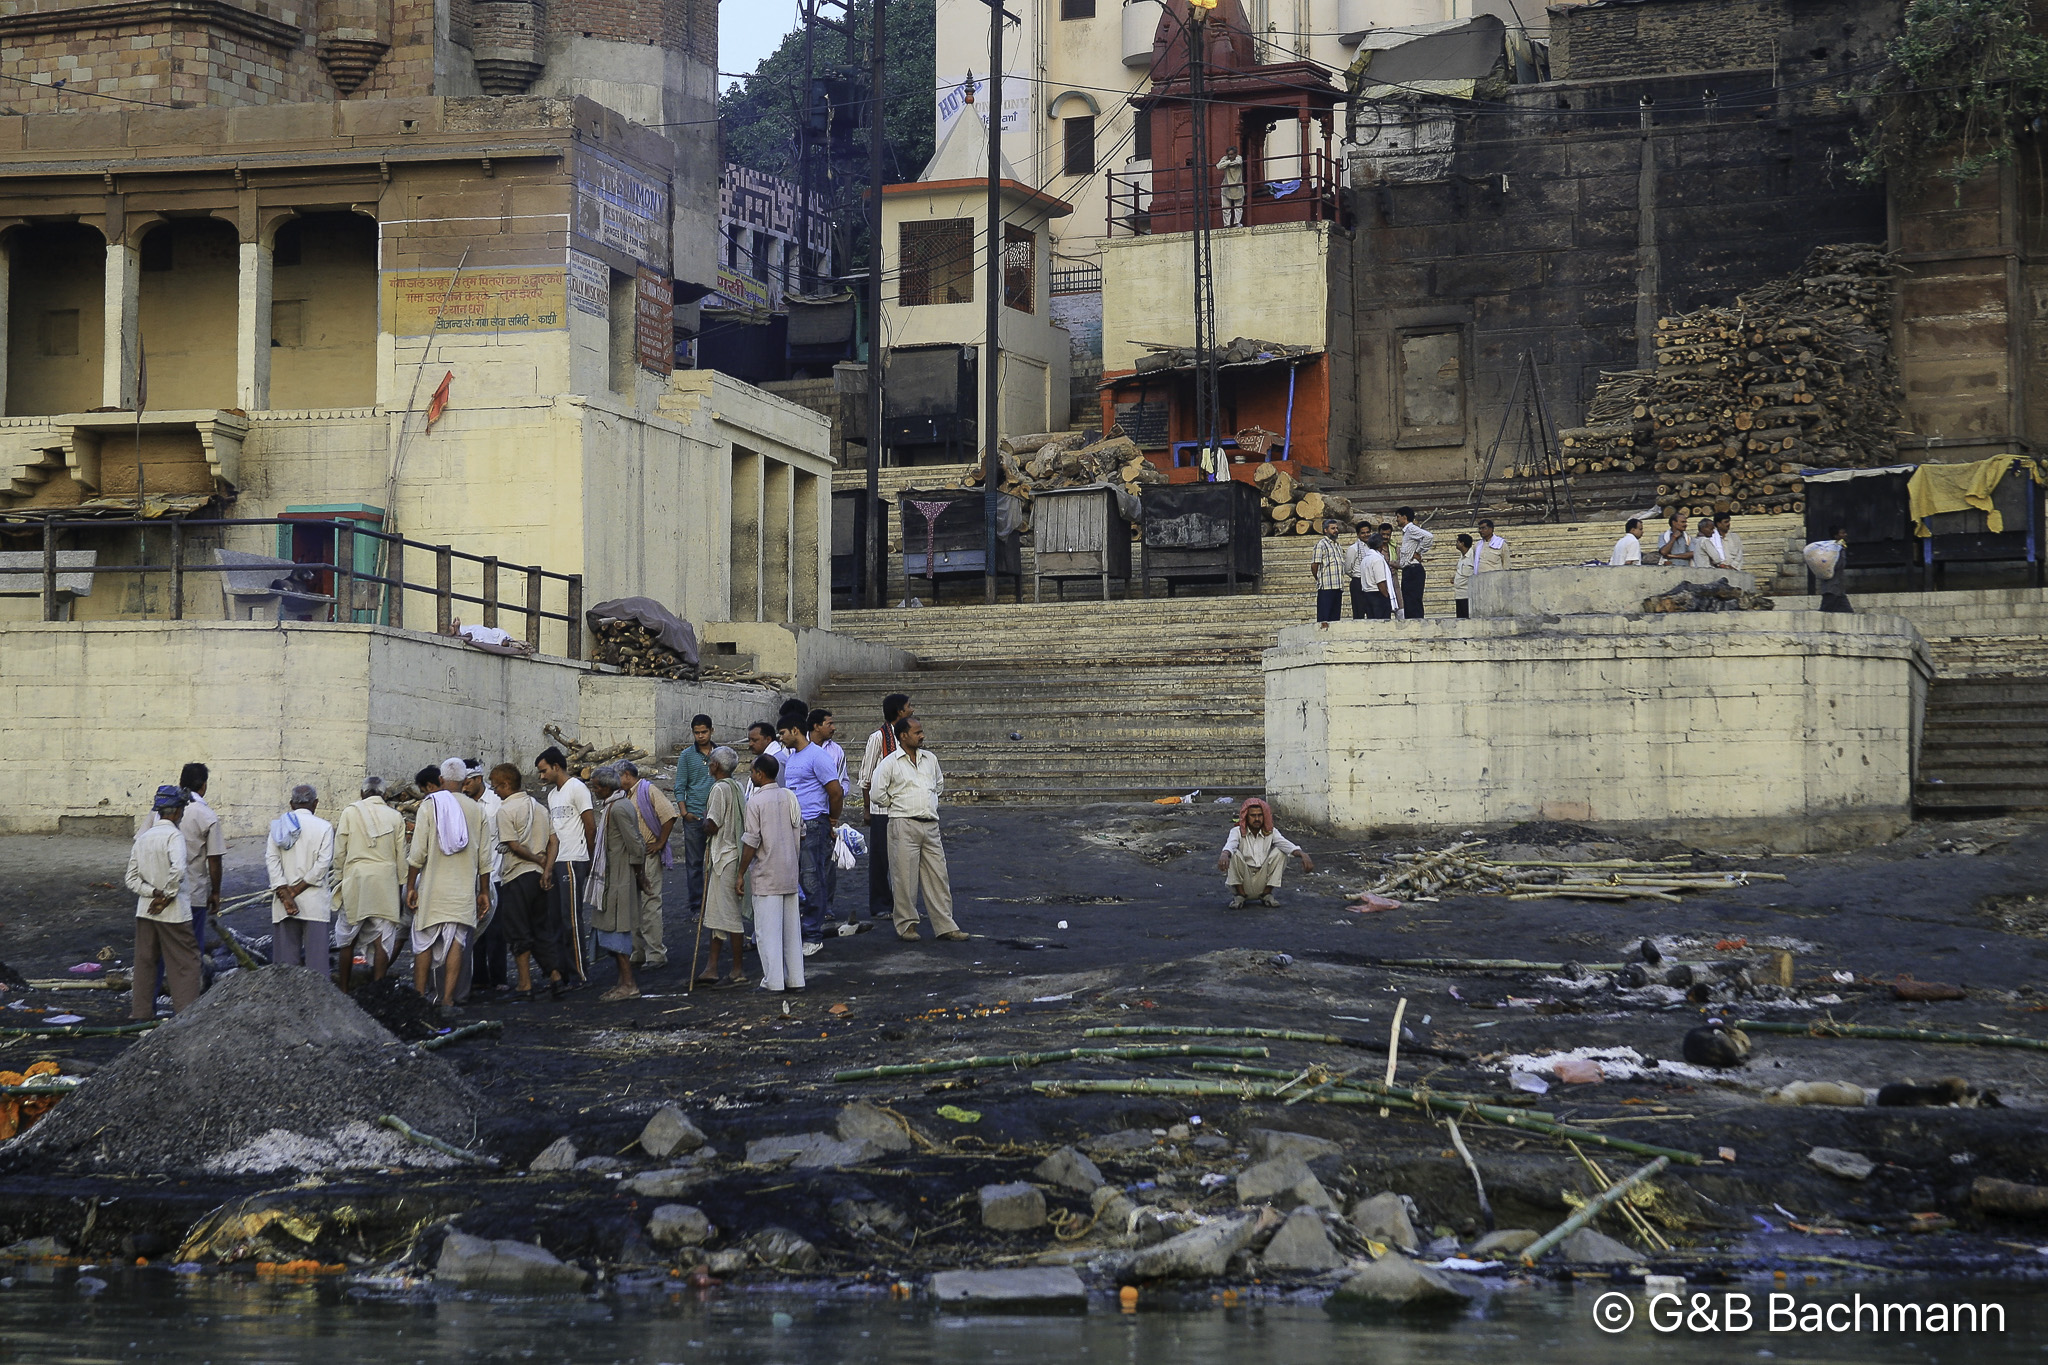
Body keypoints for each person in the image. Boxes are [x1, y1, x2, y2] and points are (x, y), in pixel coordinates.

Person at [871, 717, 966, 943]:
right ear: (903, 736)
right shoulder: (890, 763)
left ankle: (945, 926)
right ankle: (907, 926)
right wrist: (900, 804)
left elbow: (938, 786)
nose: (922, 736)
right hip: (903, 824)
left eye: (921, 732)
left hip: (930, 824)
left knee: (938, 877)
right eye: (917, 732)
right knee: (904, 878)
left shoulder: (930, 759)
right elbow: (877, 795)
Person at [407, 756, 488, 1016]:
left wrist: (411, 886)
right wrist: (484, 891)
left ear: (440, 780)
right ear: (465, 782)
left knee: (423, 943)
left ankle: (419, 999)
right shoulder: (477, 810)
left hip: (432, 889)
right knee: (456, 942)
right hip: (463, 889)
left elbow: (417, 853)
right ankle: (448, 1001)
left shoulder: (430, 805)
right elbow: (484, 857)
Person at [779, 714, 858, 951]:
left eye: (782, 733)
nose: (780, 739)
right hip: (798, 826)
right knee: (803, 879)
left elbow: (835, 791)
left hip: (815, 824)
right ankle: (805, 930)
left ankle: (813, 936)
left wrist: (832, 819)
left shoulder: (817, 756)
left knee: (813, 879)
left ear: (795, 730)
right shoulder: (793, 758)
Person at [490, 762, 565, 999]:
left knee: (518, 931)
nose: (494, 791)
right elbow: (554, 841)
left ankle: (525, 984)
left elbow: (512, 845)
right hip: (538, 879)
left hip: (517, 876)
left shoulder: (505, 811)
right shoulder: (539, 807)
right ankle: (555, 976)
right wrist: (547, 869)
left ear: (506, 784)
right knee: (541, 927)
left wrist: (538, 861)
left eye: (496, 786)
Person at [128, 785, 200, 1019]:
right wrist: (166, 896)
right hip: (174, 913)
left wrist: (152, 892)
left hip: (145, 911)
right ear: (177, 812)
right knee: (184, 963)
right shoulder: (174, 836)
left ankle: (140, 1013)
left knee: (145, 962)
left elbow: (130, 878)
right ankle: (186, 1014)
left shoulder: (144, 838)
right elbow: (178, 870)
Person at [152, 761, 223, 988]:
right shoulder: (206, 815)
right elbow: (214, 860)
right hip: (192, 892)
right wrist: (216, 892)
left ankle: (156, 997)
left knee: (162, 948)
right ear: (203, 786)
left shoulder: (159, 812)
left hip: (158, 891)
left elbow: (141, 845)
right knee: (191, 950)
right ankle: (188, 997)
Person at [738, 754, 805, 993]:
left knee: (767, 933)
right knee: (791, 933)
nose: (750, 775)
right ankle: (796, 979)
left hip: (766, 874)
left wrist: (741, 872)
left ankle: (773, 981)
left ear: (760, 774)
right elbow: (801, 830)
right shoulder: (789, 797)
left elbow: (751, 841)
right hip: (789, 871)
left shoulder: (755, 802)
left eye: (752, 771)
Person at [334, 776, 405, 990]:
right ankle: (379, 988)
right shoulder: (395, 816)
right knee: (382, 937)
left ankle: (344, 988)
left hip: (355, 880)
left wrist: (339, 879)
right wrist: (401, 888)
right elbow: (401, 857)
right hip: (385, 882)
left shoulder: (350, 812)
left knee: (347, 939)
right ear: (384, 795)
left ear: (362, 793)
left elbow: (339, 852)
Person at [585, 764, 647, 1003]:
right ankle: (623, 983)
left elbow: (636, 845)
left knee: (616, 933)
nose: (594, 791)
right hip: (613, 878)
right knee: (610, 931)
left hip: (618, 879)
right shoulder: (615, 806)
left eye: (596, 787)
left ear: (606, 787)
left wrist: (640, 875)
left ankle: (629, 984)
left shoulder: (618, 809)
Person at [537, 745, 594, 982]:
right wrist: (548, 867)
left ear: (556, 767)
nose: (541, 776)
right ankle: (563, 973)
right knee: (557, 921)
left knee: (571, 920)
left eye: (543, 770)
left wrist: (589, 859)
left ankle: (579, 973)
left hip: (574, 859)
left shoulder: (577, 788)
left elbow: (590, 826)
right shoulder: (552, 795)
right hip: (558, 860)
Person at [265, 784, 334, 977]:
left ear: (291, 804)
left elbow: (271, 860)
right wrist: (296, 890)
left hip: (283, 904)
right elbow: (322, 865)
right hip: (314, 903)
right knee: (317, 967)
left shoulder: (278, 826)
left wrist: (285, 893)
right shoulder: (325, 827)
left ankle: (285, 1005)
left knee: (285, 968)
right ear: (315, 803)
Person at [696, 746, 750, 988]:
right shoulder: (737, 785)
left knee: (729, 916)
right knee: (717, 914)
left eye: (710, 762)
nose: (709, 765)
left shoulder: (719, 788)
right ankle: (712, 967)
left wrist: (702, 821)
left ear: (716, 766)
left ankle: (738, 969)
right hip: (730, 854)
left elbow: (713, 825)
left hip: (724, 857)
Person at [859, 693, 913, 921]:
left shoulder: (906, 737)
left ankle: (902, 905)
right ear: (899, 712)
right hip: (882, 809)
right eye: (909, 707)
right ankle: (880, 904)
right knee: (881, 859)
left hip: (904, 807)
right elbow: (866, 776)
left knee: (904, 859)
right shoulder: (878, 738)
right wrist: (867, 809)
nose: (912, 710)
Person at [620, 759, 677, 972]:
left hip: (648, 856)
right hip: (632, 857)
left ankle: (655, 953)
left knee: (650, 904)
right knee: (633, 905)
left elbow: (669, 815)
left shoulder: (647, 790)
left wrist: (660, 842)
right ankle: (638, 952)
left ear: (626, 774)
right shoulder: (625, 795)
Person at [458, 759, 506, 1000]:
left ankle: (499, 979)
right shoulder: (461, 804)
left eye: (468, 782)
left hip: (496, 873)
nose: (464, 787)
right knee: (473, 929)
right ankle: (478, 979)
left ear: (478, 779)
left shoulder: (497, 803)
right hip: (470, 876)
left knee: (496, 931)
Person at [1217, 798, 1313, 908]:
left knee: (1280, 852)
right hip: (1244, 880)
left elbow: (1287, 845)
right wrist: (1224, 854)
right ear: (1246, 817)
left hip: (1263, 880)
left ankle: (1266, 894)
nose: (1257, 819)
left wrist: (1303, 854)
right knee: (1233, 853)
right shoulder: (1237, 831)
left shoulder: (1271, 832)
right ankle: (1240, 896)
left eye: (1260, 815)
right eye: (1253, 815)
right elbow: (1231, 844)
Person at [672, 715, 718, 921]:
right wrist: (684, 813)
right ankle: (697, 907)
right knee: (694, 863)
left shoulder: (720, 755)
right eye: (697, 733)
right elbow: (679, 786)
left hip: (717, 818)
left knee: (718, 862)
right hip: (694, 817)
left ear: (711, 731)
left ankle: (716, 904)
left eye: (704, 732)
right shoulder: (686, 756)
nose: (700, 736)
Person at [1348, 527, 1395, 620]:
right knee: (1381, 622)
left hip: (1367, 595)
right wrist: (1387, 596)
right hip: (1377, 595)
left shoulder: (1365, 559)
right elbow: (1380, 582)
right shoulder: (1377, 559)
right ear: (1380, 545)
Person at [1395, 507, 1433, 619]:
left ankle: (1416, 626)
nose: (1396, 520)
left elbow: (1429, 537)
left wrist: (1418, 551)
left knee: (1413, 601)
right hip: (1408, 569)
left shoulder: (1411, 529)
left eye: (1398, 517)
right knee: (1409, 600)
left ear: (1404, 517)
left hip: (1413, 569)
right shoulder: (1407, 532)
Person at [1312, 518, 1347, 624]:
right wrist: (1319, 579)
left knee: (1335, 619)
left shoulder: (1337, 545)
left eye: (1336, 528)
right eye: (1333, 528)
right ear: (1325, 530)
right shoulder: (1321, 545)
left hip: (1338, 586)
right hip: (1326, 587)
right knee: (1324, 618)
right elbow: (1314, 565)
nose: (1336, 530)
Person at [1217, 145, 1246, 227]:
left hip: (1238, 186)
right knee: (1226, 208)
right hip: (1226, 186)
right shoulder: (1225, 159)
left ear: (1235, 154)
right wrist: (1228, 161)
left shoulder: (1239, 158)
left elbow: (1238, 162)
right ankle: (1226, 224)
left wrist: (1227, 163)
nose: (1230, 156)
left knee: (1238, 207)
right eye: (1228, 154)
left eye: (1232, 154)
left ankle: (1237, 222)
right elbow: (1218, 166)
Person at [1452, 533, 1476, 618]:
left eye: (1457, 542)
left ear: (1462, 543)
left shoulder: (1473, 556)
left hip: (1467, 594)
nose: (1456, 544)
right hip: (1459, 594)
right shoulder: (1462, 557)